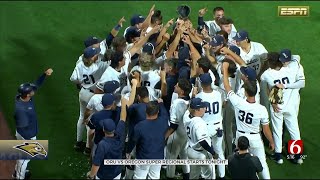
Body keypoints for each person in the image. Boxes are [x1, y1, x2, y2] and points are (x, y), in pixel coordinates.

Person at [222, 61, 274, 179]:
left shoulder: (238, 102)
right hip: (255, 138)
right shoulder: (261, 109)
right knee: (262, 164)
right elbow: (266, 130)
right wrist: (271, 141)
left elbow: (226, 86)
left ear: (245, 92)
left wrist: (225, 69)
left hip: (240, 138)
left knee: (241, 164)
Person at [260, 50, 304, 165]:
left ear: (270, 62)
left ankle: (278, 156)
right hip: (290, 106)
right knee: (294, 130)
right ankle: (298, 156)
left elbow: (266, 87)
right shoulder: (291, 69)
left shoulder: (267, 74)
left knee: (277, 130)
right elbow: (297, 56)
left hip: (277, 107)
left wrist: (272, 102)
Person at [13, 68, 53, 179]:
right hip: (26, 134)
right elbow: (21, 126)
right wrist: (29, 142)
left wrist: (44, 75)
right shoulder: (21, 109)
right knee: (25, 158)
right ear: (27, 95)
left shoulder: (23, 97)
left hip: (25, 133)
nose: (33, 90)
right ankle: (19, 177)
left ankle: (17, 172)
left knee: (21, 155)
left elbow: (36, 85)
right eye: (31, 91)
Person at [86, 98, 128, 180]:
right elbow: (123, 118)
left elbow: (96, 164)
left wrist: (91, 176)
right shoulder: (119, 133)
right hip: (116, 173)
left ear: (103, 130)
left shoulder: (103, 144)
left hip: (104, 175)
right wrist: (124, 104)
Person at [127, 101, 169, 179]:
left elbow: (132, 141)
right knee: (154, 177)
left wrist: (128, 152)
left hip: (143, 158)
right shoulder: (164, 121)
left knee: (139, 177)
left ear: (146, 111)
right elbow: (165, 113)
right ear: (158, 111)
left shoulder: (139, 126)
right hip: (158, 157)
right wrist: (161, 104)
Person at [195, 73, 225, 179]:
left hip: (206, 127)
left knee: (208, 153)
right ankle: (222, 175)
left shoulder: (199, 96)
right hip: (218, 126)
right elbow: (223, 104)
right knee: (219, 151)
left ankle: (209, 176)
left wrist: (194, 95)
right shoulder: (218, 94)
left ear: (202, 84)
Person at [165, 78, 192, 180]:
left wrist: (165, 136)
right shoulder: (189, 101)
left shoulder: (177, 103)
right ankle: (187, 176)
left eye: (177, 86)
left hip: (176, 134)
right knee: (184, 155)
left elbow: (173, 125)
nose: (174, 86)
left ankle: (170, 177)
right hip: (185, 133)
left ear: (182, 91)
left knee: (171, 158)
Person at [183, 97, 216, 179]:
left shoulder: (186, 116)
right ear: (197, 110)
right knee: (210, 177)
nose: (205, 109)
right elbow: (203, 142)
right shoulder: (199, 123)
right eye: (203, 107)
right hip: (201, 153)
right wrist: (213, 152)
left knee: (193, 176)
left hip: (191, 151)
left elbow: (189, 107)